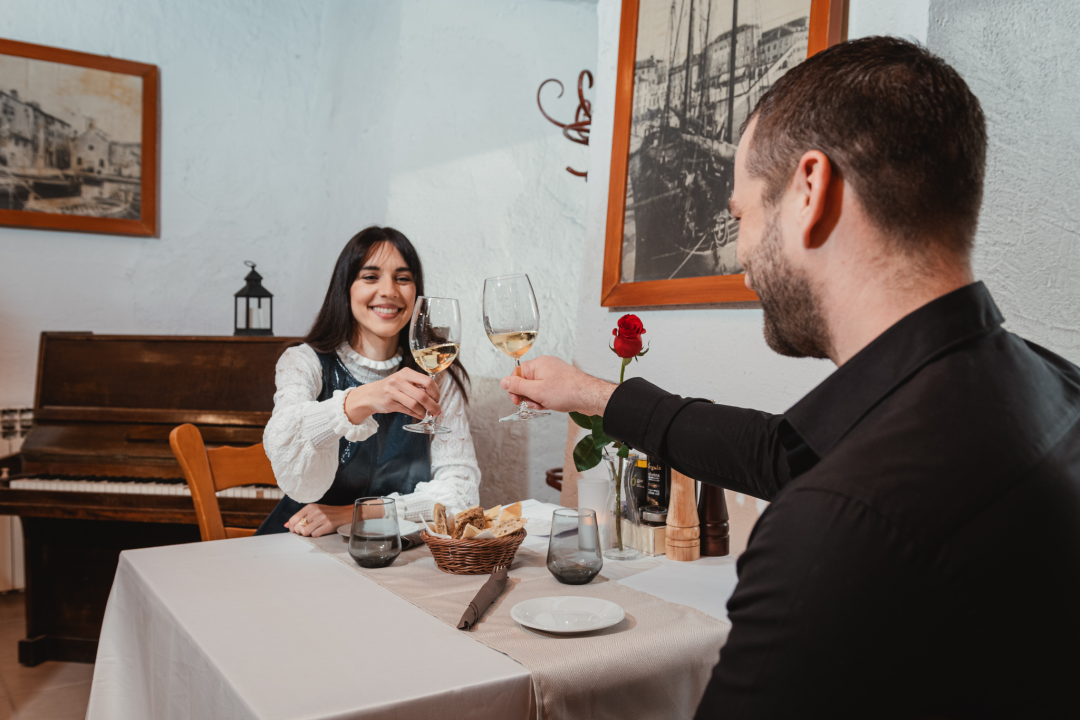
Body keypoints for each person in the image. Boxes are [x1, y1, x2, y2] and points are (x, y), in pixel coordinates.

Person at [502, 38, 1080, 719]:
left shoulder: (837, 526)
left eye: (742, 214)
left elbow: (826, 486)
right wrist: (597, 394)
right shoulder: (1048, 385)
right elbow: (788, 451)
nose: (742, 252)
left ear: (812, 189)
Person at [257, 226, 480, 537]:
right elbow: (286, 447)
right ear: (346, 287)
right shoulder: (303, 362)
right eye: (370, 276)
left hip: (392, 548)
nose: (389, 291)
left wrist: (359, 514)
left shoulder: (437, 375)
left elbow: (461, 495)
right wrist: (359, 401)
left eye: (403, 278)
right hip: (303, 539)